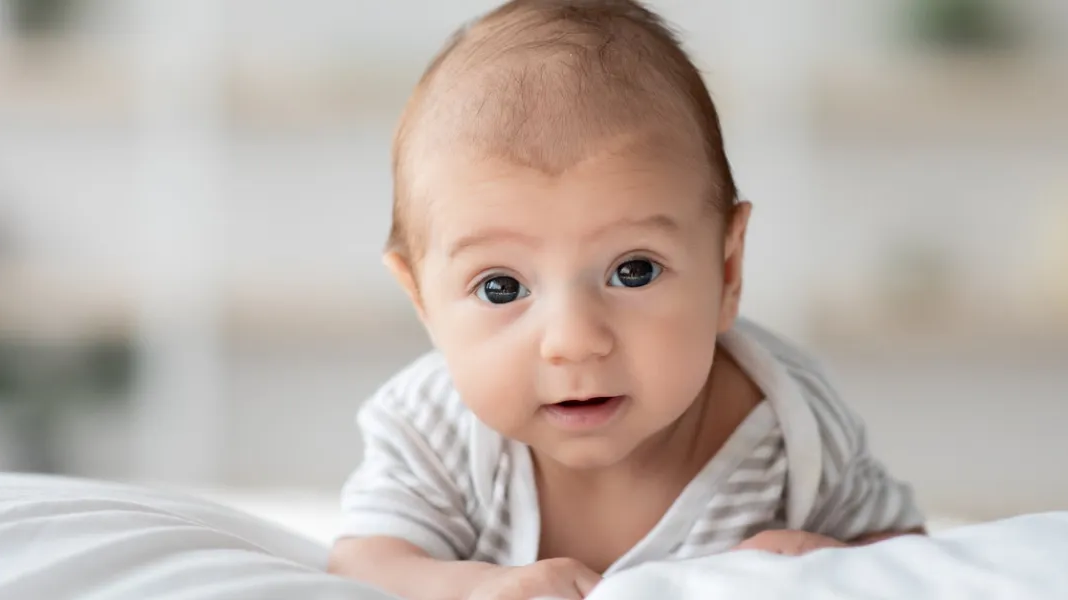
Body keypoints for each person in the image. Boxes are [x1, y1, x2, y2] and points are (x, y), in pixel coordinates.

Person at [328, 2, 924, 598]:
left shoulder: (793, 428)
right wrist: (473, 589)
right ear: (422, 301)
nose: (574, 338)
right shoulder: (433, 430)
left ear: (727, 268)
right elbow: (364, 564)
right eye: (500, 287)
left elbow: (916, 555)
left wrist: (830, 561)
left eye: (634, 270)